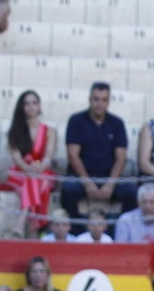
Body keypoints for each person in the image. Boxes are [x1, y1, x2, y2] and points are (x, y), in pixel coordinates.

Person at [62, 82, 134, 222]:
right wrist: (88, 183)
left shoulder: (117, 123)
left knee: (132, 192)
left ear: (109, 102)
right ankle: (77, 233)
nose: (99, 104)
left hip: (109, 178)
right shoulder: (76, 121)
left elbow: (121, 158)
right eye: (96, 99)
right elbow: (73, 155)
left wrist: (110, 185)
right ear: (89, 99)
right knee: (68, 189)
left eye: (104, 100)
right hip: (81, 178)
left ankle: (118, 232)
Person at [6, 89, 57, 237]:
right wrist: (29, 169)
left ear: (39, 106)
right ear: (22, 107)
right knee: (35, 181)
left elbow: (48, 156)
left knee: (36, 180)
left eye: (34, 103)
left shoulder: (49, 131)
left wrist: (39, 167)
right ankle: (34, 230)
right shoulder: (15, 131)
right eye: (27, 103)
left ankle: (21, 221)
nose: (31, 107)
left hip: (42, 170)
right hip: (20, 172)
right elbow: (17, 158)